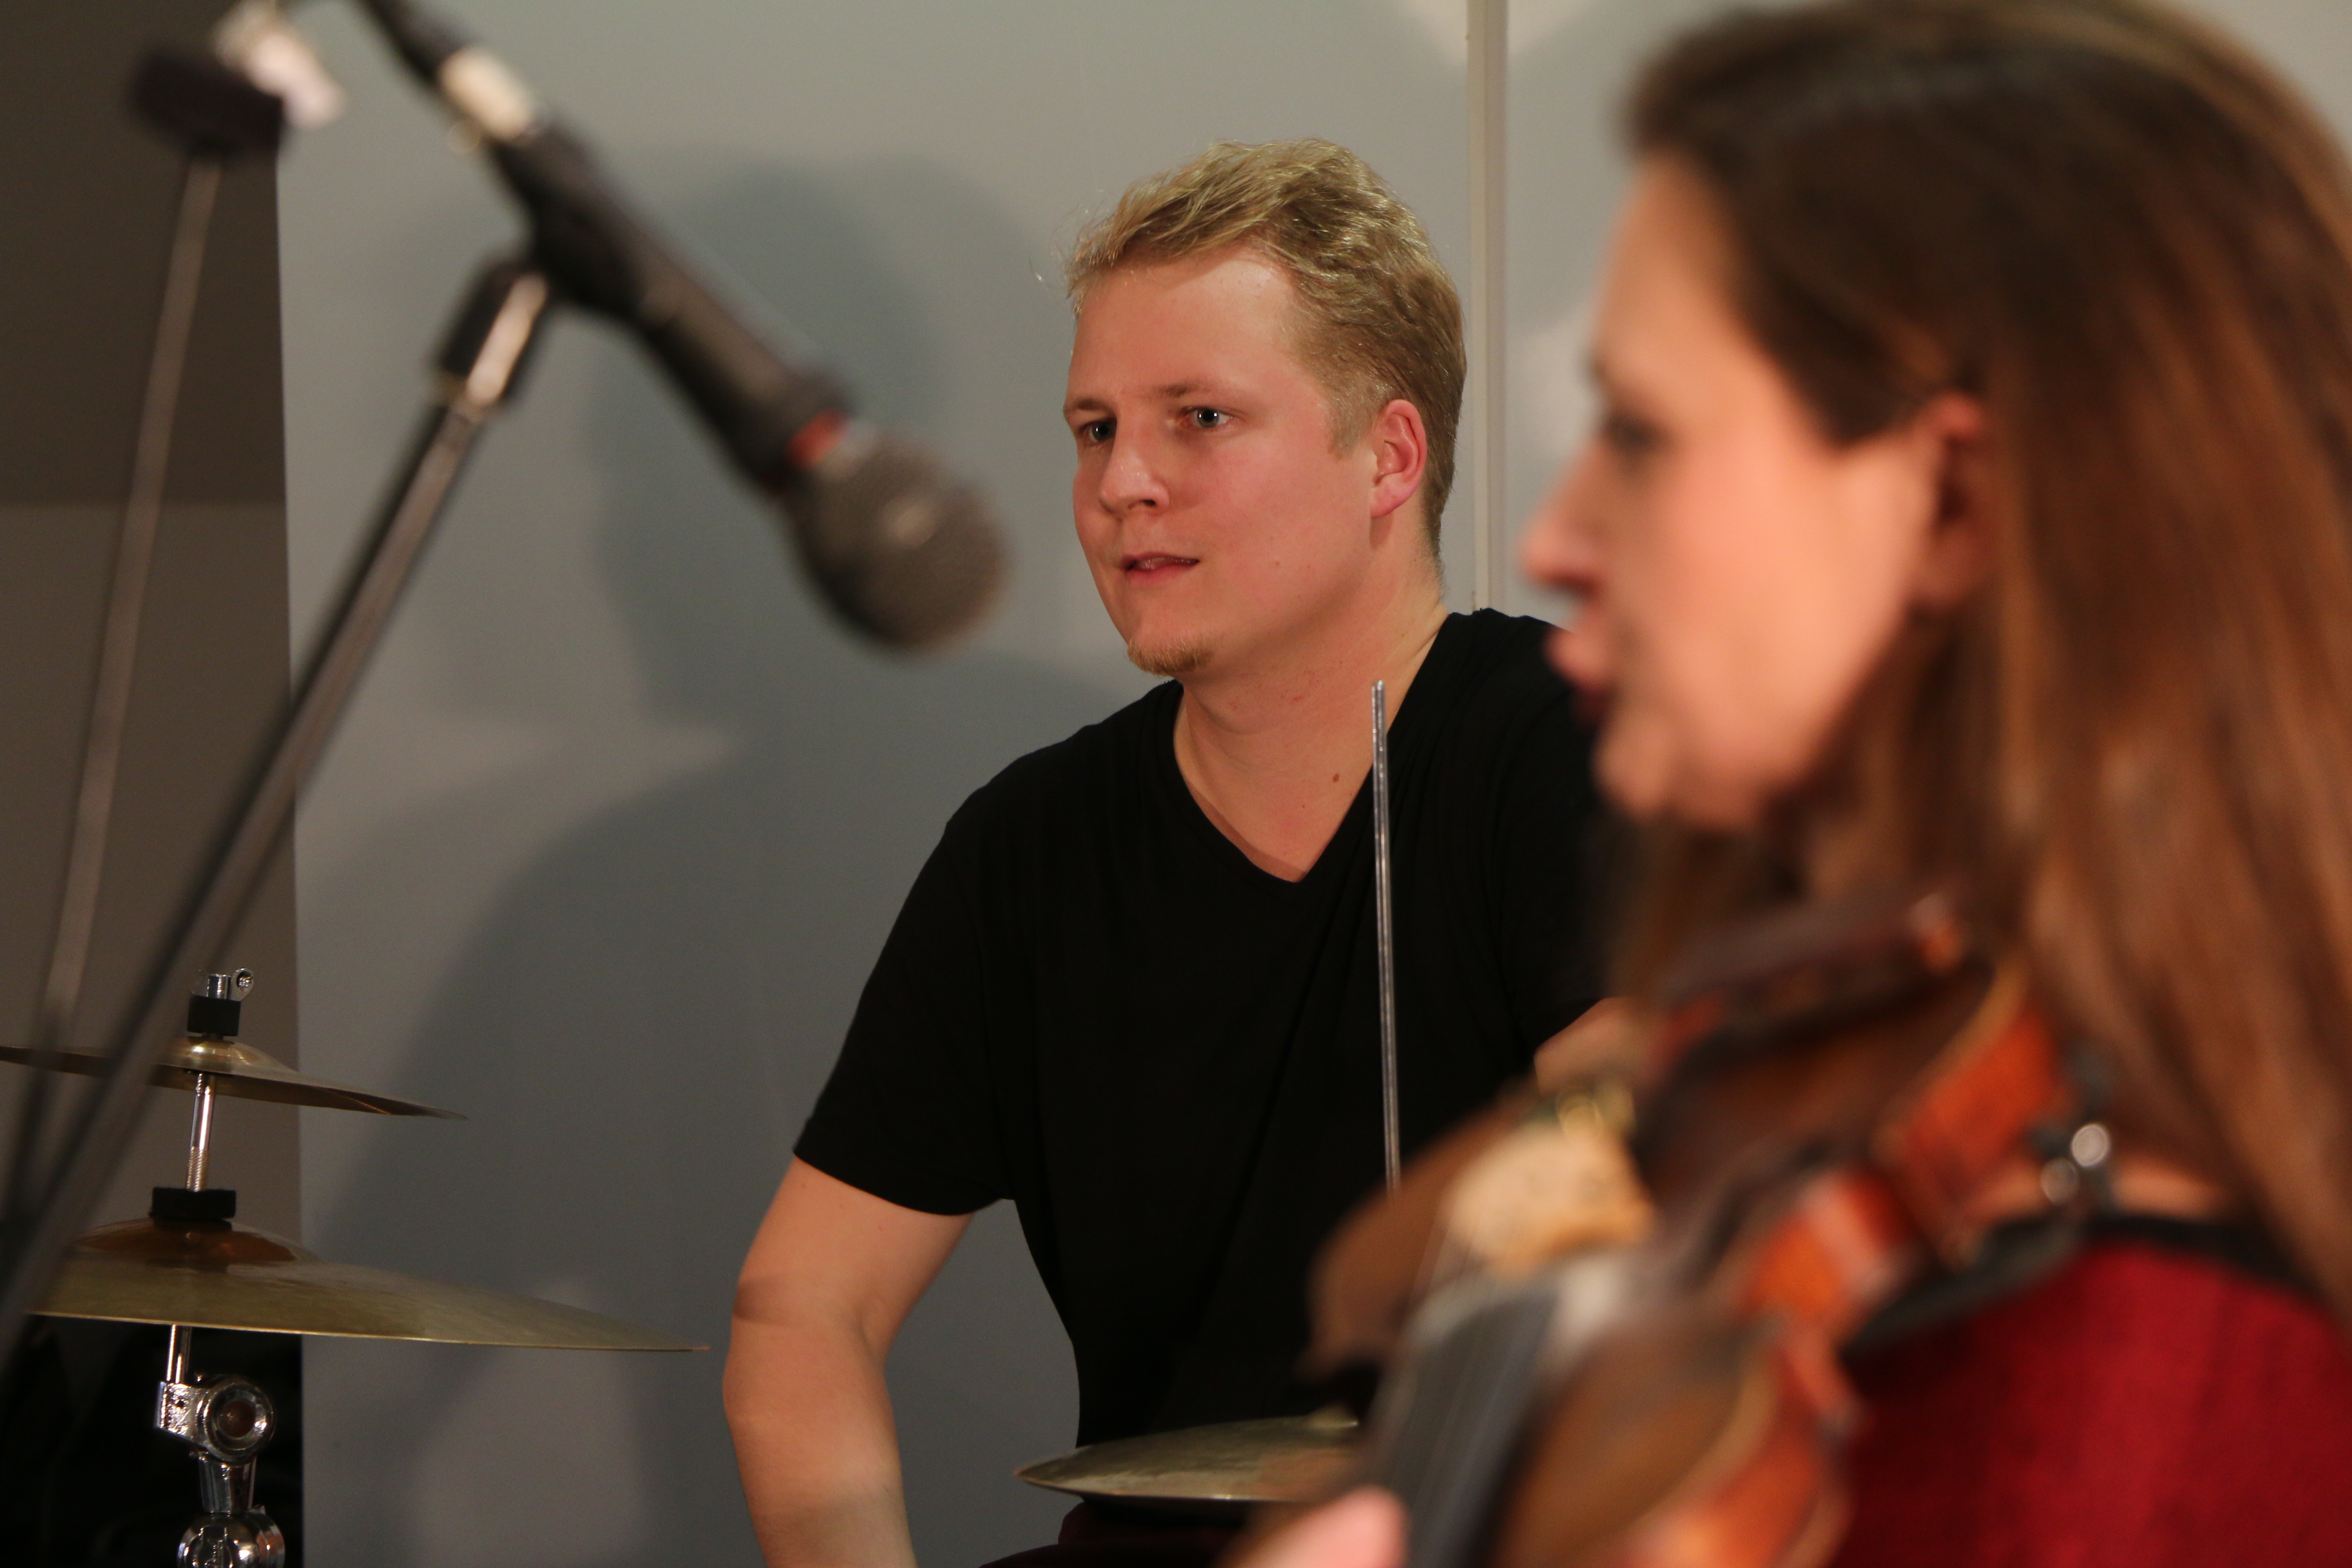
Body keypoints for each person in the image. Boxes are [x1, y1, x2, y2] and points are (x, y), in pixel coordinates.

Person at [1246, 3, 2352, 1567]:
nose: (1558, 539)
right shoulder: (1811, 1137)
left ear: (1952, 502)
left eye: (1640, 433)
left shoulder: (2118, 1432)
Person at [723, 139, 1613, 1568]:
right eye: (1095, 429)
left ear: (1389, 457)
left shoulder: (1570, 748)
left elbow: (1655, 1206)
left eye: (1199, 419)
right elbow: (802, 1308)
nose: (1123, 483)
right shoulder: (1029, 849)